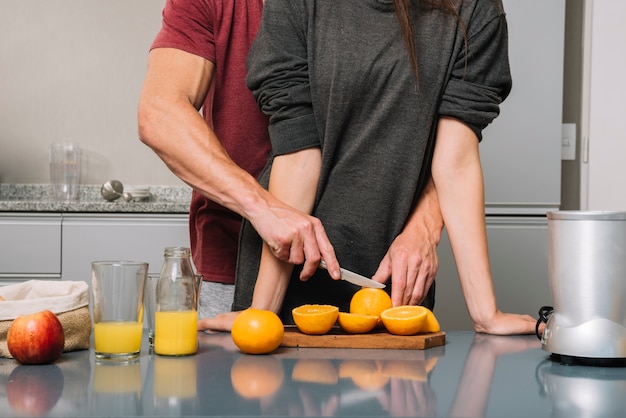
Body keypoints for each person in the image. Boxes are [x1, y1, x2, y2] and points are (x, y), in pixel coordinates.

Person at [201, 0, 538, 334]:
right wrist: (262, 312)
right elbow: (298, 150)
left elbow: (456, 162)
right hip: (289, 287)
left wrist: (485, 313)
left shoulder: (475, 9)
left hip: (392, 290)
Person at [138, 0, 441, 319]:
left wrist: (426, 223)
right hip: (232, 262)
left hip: (373, 271)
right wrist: (263, 208)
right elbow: (160, 113)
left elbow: (451, 132)